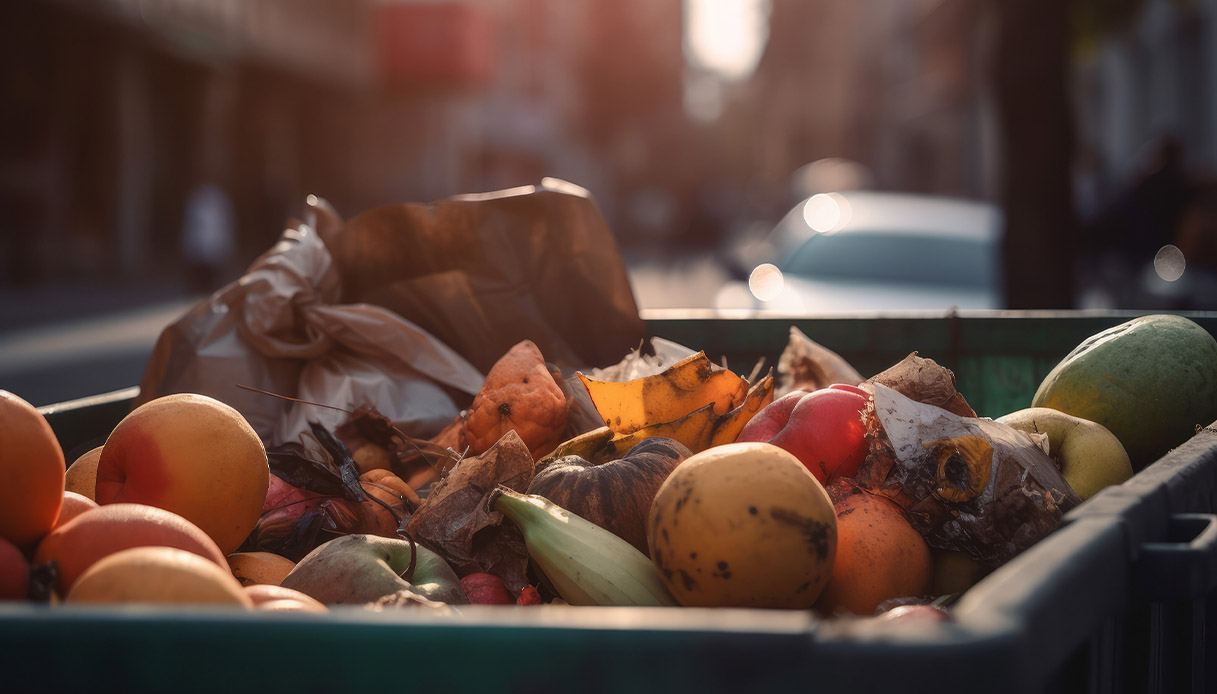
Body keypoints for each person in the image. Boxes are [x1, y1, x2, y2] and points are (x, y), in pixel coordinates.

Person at [180, 182, 236, 293]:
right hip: (199, 247)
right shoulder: (197, 197)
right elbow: (191, 224)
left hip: (214, 247)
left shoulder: (220, 199)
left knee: (212, 282)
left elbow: (225, 225)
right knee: (198, 280)